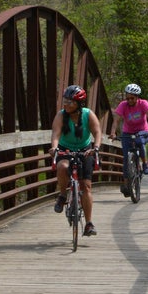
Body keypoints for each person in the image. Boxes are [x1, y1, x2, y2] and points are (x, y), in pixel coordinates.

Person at [49, 85, 102, 237]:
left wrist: (96, 147)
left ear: (79, 103)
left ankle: (89, 224)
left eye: (70, 102)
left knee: (86, 186)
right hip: (65, 149)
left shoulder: (87, 114)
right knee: (62, 166)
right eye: (65, 101)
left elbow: (97, 132)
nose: (66, 104)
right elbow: (55, 134)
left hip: (85, 150)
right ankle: (62, 195)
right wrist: (54, 148)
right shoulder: (61, 115)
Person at [108, 83, 148, 197]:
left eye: (132, 98)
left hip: (142, 130)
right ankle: (126, 185)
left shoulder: (143, 103)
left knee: (139, 141)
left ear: (137, 97)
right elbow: (116, 120)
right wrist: (113, 132)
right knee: (126, 158)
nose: (129, 100)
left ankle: (144, 163)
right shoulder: (123, 105)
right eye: (127, 98)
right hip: (127, 132)